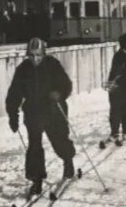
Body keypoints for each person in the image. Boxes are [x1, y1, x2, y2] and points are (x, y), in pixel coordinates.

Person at [5, 38, 76, 198]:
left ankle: (68, 161)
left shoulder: (52, 64)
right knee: (34, 146)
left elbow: (66, 84)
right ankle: (36, 179)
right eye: (31, 56)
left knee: (59, 140)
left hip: (53, 110)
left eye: (38, 55)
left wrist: (59, 93)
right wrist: (12, 115)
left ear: (43, 54)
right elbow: (14, 93)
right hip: (33, 112)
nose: (35, 59)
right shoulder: (23, 69)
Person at [105, 33, 126, 143]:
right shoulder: (123, 56)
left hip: (117, 87)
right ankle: (124, 131)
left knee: (116, 109)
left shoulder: (120, 55)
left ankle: (117, 131)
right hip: (120, 87)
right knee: (123, 109)